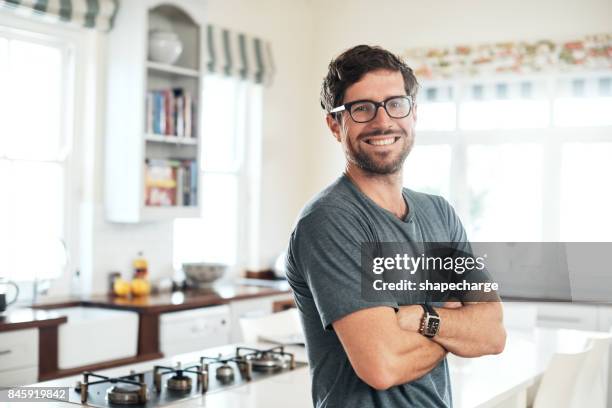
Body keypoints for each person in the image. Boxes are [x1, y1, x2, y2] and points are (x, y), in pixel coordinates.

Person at [285, 45, 506, 408]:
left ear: (413, 113)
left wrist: (418, 317)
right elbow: (382, 365)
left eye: (396, 103)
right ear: (334, 125)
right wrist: (455, 326)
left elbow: (493, 333)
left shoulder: (439, 213)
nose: (383, 121)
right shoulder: (329, 221)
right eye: (362, 108)